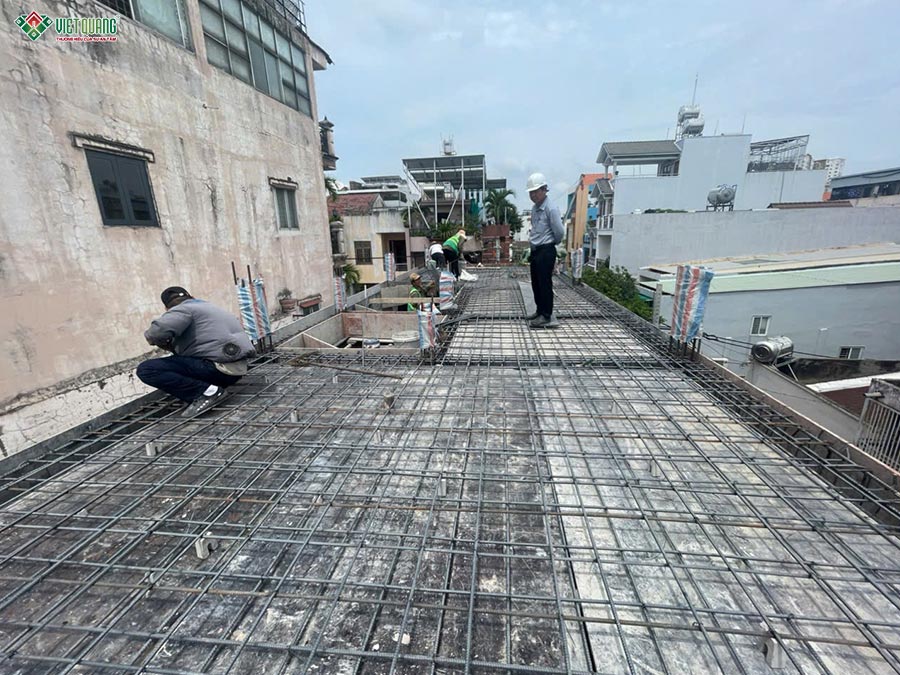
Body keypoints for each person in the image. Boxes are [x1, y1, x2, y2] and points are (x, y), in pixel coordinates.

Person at [137, 286, 255, 418]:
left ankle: (208, 393)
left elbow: (155, 334)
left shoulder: (183, 309)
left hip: (218, 370)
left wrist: (160, 342)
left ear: (167, 308)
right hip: (237, 370)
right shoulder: (209, 307)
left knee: (147, 369)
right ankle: (207, 389)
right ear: (191, 297)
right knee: (179, 358)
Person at [526, 173, 564, 328]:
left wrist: (551, 244)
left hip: (546, 250)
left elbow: (559, 231)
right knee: (536, 283)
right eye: (531, 192)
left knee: (545, 283)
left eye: (535, 191)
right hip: (536, 250)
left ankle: (546, 315)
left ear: (544, 189)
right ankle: (539, 311)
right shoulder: (535, 209)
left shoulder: (551, 208)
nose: (533, 195)